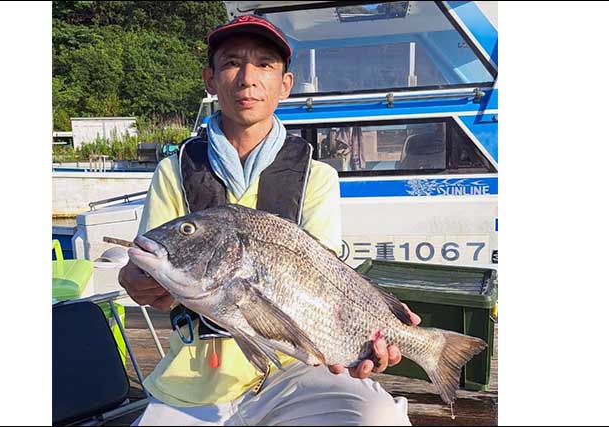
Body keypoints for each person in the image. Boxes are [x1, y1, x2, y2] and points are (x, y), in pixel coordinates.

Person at [119, 14, 420, 426]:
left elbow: (328, 280)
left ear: (285, 84)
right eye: (231, 63)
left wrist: (371, 326)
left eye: (264, 64)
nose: (247, 78)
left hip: (297, 369)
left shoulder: (318, 176)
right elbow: (157, 283)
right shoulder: (174, 171)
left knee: (379, 417)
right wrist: (138, 281)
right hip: (194, 375)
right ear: (210, 79)